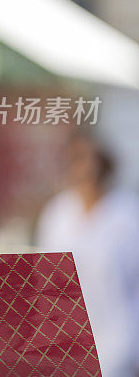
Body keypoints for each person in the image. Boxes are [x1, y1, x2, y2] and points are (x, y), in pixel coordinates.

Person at [36, 133, 139, 377]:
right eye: (78, 160)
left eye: (92, 160)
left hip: (121, 347)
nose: (86, 168)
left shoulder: (128, 214)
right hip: (66, 348)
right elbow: (45, 284)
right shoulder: (58, 213)